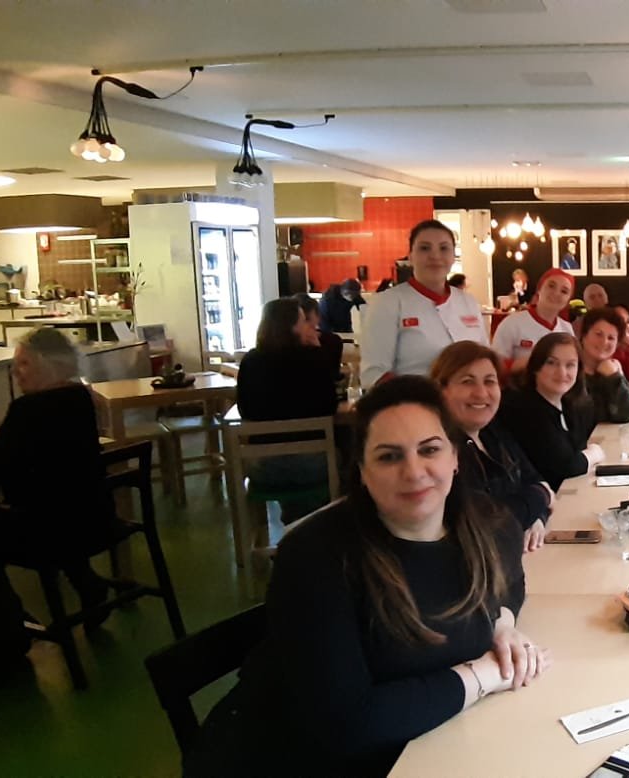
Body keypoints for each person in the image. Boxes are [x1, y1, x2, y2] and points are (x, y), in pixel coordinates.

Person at [189, 377, 545, 775]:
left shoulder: (485, 523)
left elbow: (510, 579)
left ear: (455, 458)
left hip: (420, 744)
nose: (414, 471)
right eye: (389, 457)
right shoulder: (315, 557)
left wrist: (502, 624)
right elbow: (348, 722)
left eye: (429, 449)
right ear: (362, 471)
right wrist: (484, 674)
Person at [0, 328, 113, 614]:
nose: (16, 373)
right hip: (94, 518)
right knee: (55, 501)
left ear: (50, 364)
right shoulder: (80, 397)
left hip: (44, 533)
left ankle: (6, 611)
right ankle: (87, 583)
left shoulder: (27, 409)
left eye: (24, 364)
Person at [431, 342, 554, 554]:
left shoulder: (493, 432)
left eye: (489, 381)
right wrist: (541, 497)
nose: (481, 393)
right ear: (442, 390)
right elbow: (487, 521)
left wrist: (536, 518)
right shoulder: (441, 450)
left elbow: (534, 479)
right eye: (467, 382)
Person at [237, 297, 341, 525]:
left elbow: (244, 409)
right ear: (291, 327)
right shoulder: (314, 358)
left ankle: (296, 523)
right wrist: (318, 352)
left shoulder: (250, 361)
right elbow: (329, 407)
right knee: (348, 453)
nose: (310, 326)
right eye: (304, 321)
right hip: (313, 465)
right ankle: (319, 526)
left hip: (263, 467)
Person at [359, 221, 489, 386]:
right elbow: (374, 373)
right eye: (425, 248)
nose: (435, 256)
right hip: (413, 399)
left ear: (453, 256)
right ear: (410, 256)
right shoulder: (387, 302)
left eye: (444, 248)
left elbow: (485, 359)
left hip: (470, 398)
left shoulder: (468, 302)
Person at [496, 333, 604, 491]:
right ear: (536, 367)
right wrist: (594, 453)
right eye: (552, 363)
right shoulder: (524, 408)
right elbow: (566, 467)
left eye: (570, 365)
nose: (562, 373)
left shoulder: (568, 403)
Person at [491, 268, 575, 369]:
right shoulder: (512, 323)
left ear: (568, 300)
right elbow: (495, 366)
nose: (556, 293)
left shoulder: (567, 329)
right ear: (539, 289)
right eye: (551, 286)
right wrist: (533, 360)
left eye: (564, 291)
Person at [577, 308, 629, 423]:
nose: (604, 342)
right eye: (598, 334)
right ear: (584, 336)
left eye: (611, 338)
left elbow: (627, 413)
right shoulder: (572, 371)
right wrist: (613, 378)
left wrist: (613, 377)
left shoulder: (612, 369)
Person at [294, 293, 344, 367]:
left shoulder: (333, 341)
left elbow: (331, 372)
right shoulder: (285, 343)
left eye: (307, 319)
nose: (303, 325)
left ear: (318, 317)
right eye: (297, 320)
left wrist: (317, 347)